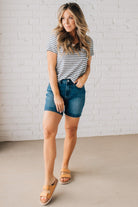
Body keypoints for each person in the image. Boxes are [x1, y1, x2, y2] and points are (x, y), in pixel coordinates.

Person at [40, 2, 94, 205]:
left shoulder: (88, 41)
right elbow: (50, 68)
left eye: (70, 17)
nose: (66, 22)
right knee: (48, 131)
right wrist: (56, 94)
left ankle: (64, 166)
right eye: (63, 18)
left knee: (71, 130)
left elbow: (88, 66)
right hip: (56, 89)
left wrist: (85, 78)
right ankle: (48, 179)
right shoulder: (54, 38)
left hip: (77, 91)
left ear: (77, 19)